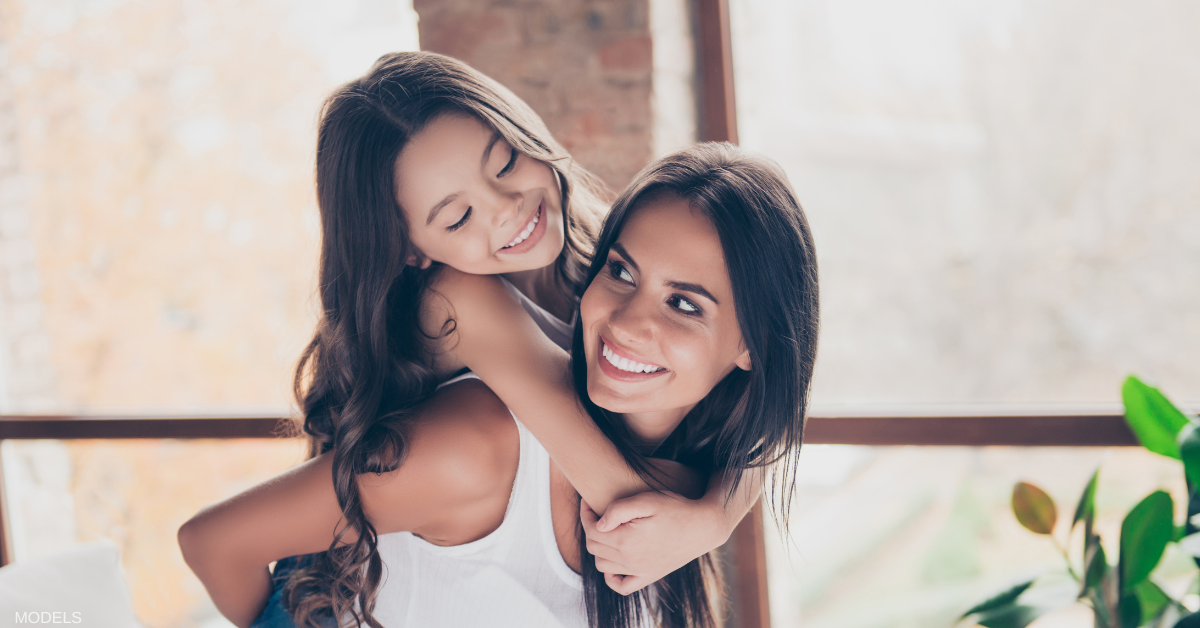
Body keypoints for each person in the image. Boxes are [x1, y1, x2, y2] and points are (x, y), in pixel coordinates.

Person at [178, 52, 767, 627]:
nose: (508, 210)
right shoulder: (459, 298)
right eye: (457, 218)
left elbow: (775, 395)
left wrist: (714, 517)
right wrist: (700, 506)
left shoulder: (604, 262)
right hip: (325, 587)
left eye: (506, 163)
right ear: (410, 249)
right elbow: (617, 494)